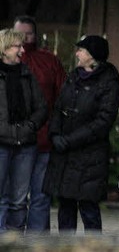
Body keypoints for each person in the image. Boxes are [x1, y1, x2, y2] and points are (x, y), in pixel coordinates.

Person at [43, 35, 119, 233]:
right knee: (66, 207)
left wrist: (69, 140)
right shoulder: (73, 76)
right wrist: (54, 135)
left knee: (88, 208)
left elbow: (103, 122)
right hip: (65, 155)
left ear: (93, 56)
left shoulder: (109, 82)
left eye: (81, 51)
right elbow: (59, 107)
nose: (77, 53)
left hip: (90, 157)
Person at [9, 16, 66, 232]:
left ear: (36, 34)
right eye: (19, 34)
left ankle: (37, 243)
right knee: (15, 196)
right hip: (15, 141)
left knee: (41, 196)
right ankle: (13, 241)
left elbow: (63, 97)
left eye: (28, 34)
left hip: (44, 140)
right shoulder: (6, 61)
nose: (23, 39)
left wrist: (57, 131)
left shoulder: (49, 61)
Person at [0, 29, 47, 232]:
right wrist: (6, 130)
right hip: (1, 144)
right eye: (17, 46)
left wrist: (29, 127)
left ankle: (15, 243)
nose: (21, 50)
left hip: (25, 146)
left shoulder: (27, 74)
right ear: (4, 48)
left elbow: (41, 108)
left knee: (19, 200)